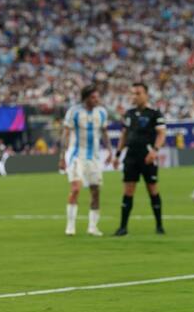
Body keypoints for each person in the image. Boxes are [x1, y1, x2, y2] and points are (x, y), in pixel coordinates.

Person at [112, 82, 166, 236]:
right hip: (131, 157)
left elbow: (161, 134)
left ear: (146, 95)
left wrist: (155, 151)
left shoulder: (155, 113)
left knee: (152, 189)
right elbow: (124, 135)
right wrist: (117, 154)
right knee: (128, 190)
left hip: (148, 156)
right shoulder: (128, 114)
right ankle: (123, 227)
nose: (134, 96)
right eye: (133, 93)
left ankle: (159, 226)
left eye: (138, 93)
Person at [59, 85, 112, 236]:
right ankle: (70, 226)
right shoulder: (74, 112)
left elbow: (104, 133)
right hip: (76, 155)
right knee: (76, 188)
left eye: (98, 97)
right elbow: (66, 134)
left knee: (95, 191)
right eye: (94, 97)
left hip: (94, 157)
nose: (97, 100)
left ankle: (93, 227)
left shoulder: (101, 112)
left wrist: (110, 152)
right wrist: (62, 157)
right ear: (86, 98)